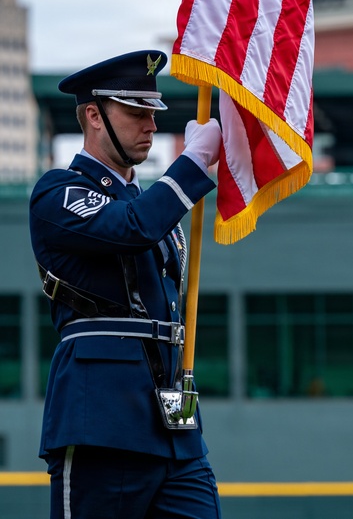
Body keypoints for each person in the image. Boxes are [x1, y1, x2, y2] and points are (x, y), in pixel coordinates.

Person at [29, 51, 224, 518]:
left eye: (153, 113)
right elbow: (130, 227)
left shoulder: (154, 204)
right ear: (94, 115)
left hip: (175, 427)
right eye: (136, 112)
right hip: (102, 419)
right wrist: (194, 162)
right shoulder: (59, 191)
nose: (151, 126)